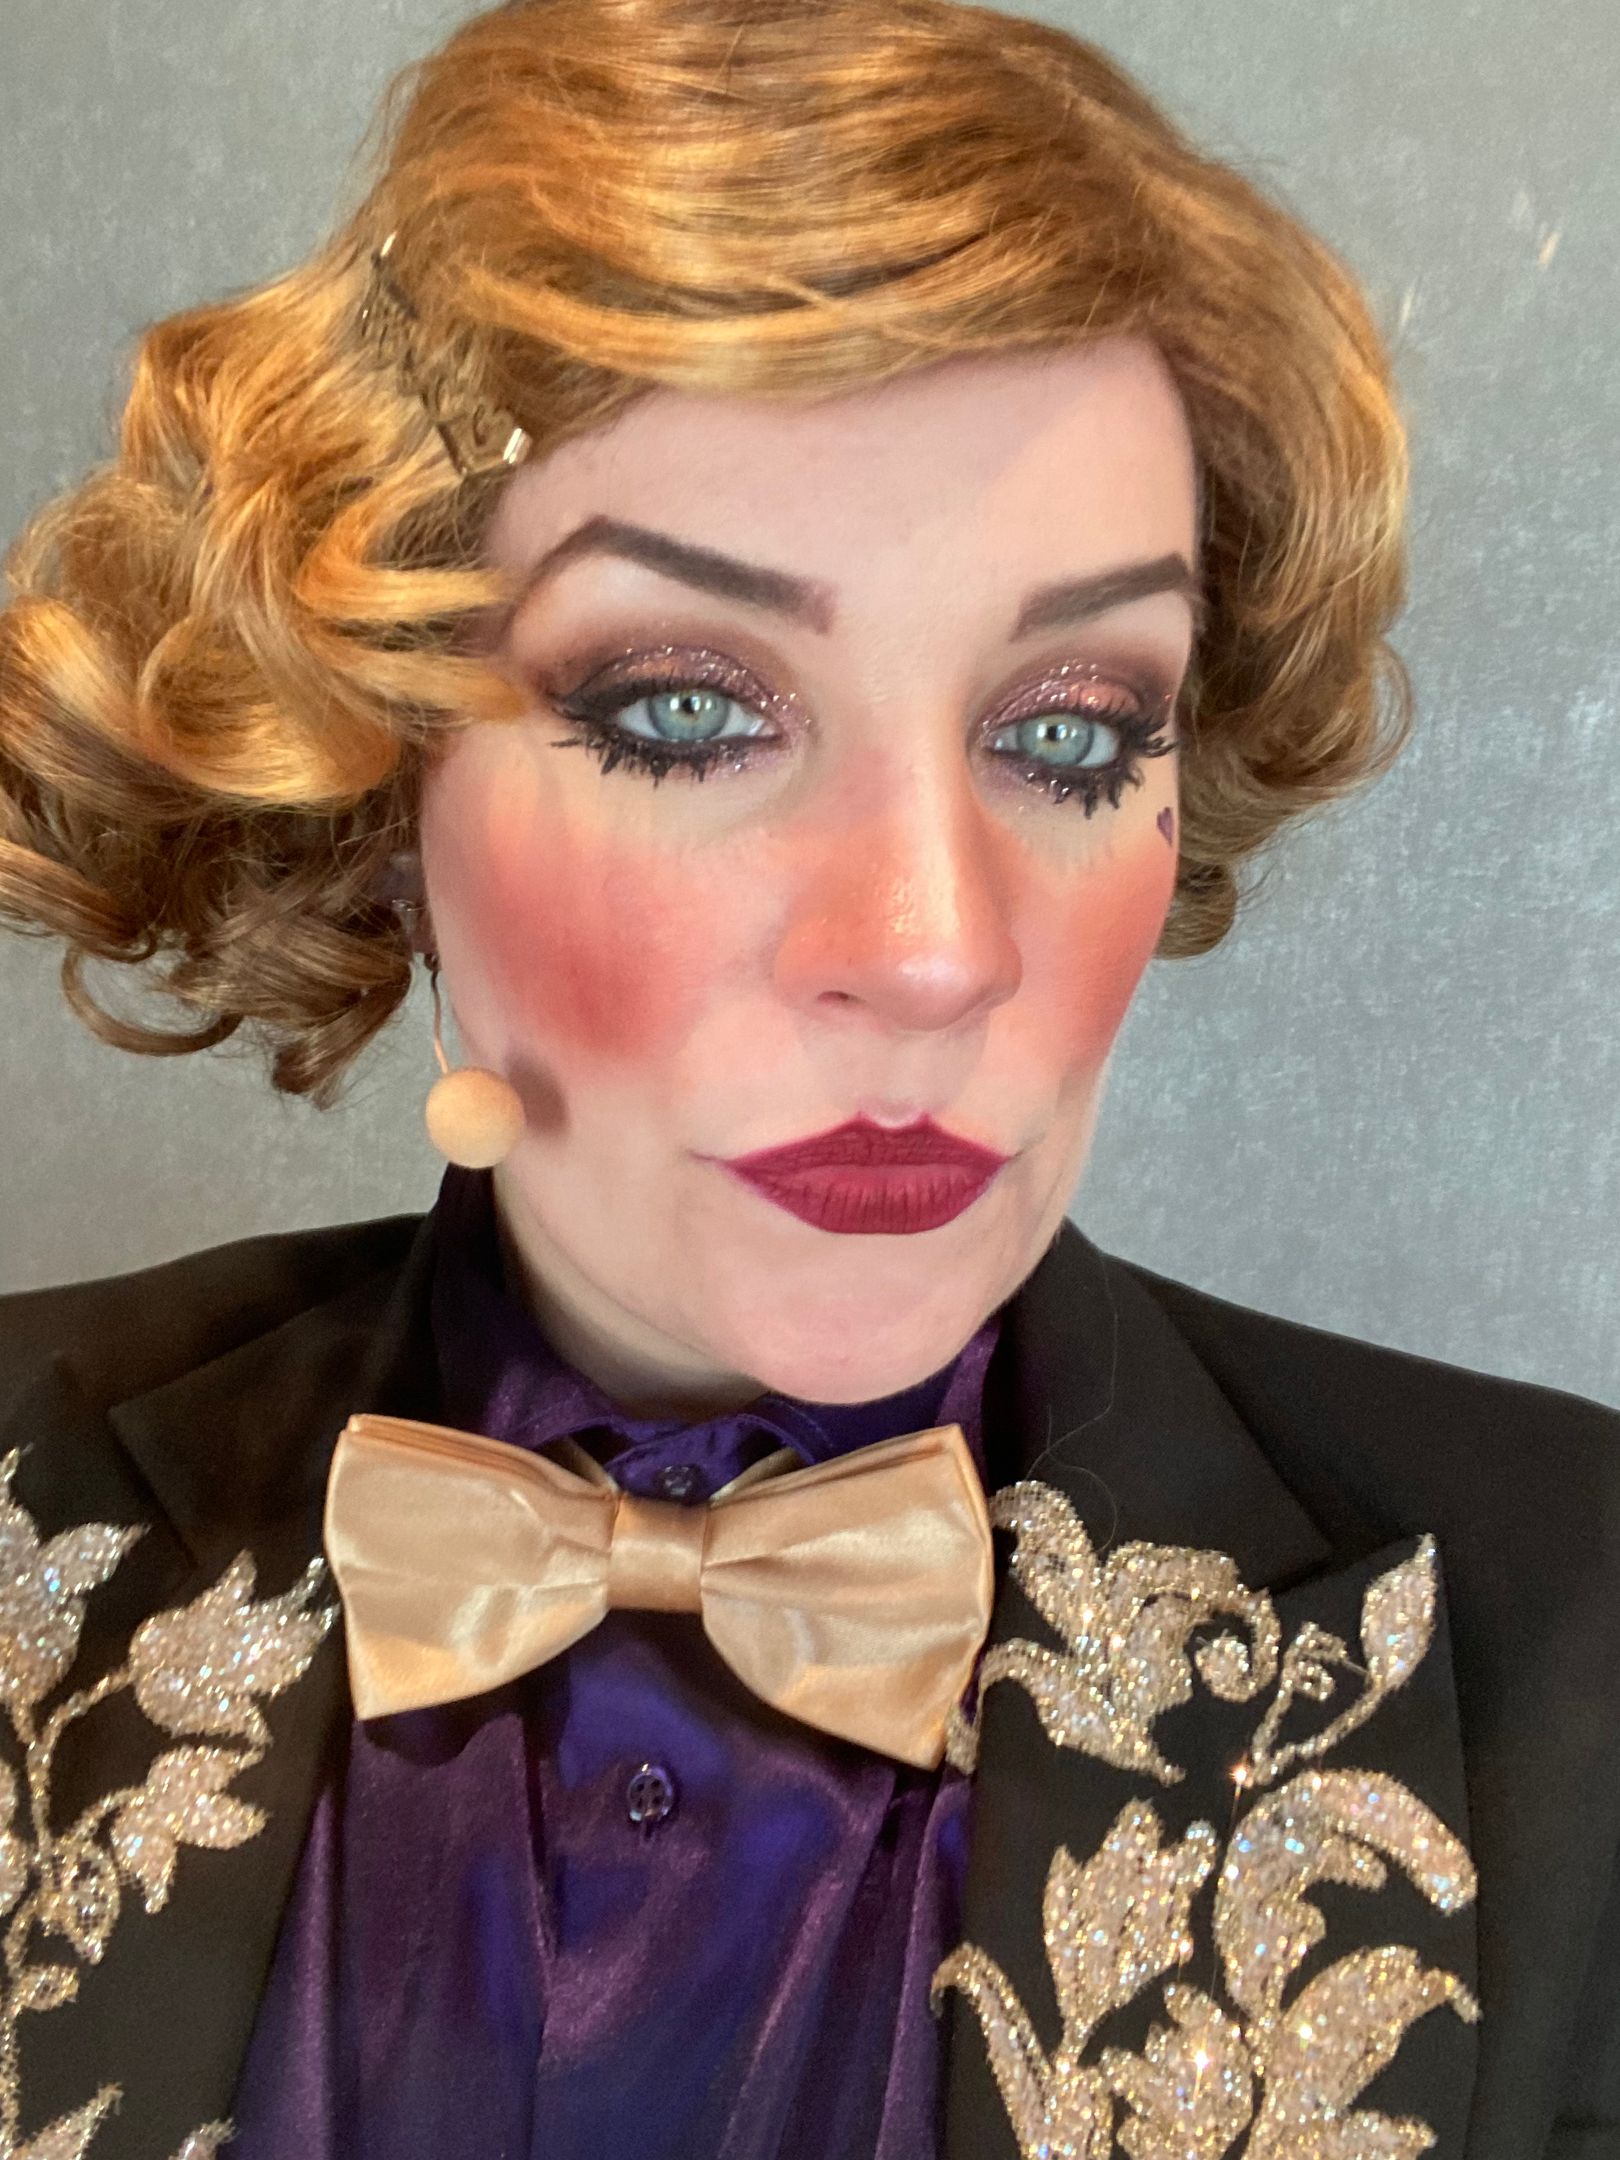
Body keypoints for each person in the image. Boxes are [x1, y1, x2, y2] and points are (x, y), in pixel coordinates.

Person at [0, 0, 1615, 2154]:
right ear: (380, 777)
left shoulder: (1578, 1627)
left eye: (1070, 732)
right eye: (686, 710)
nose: (935, 949)